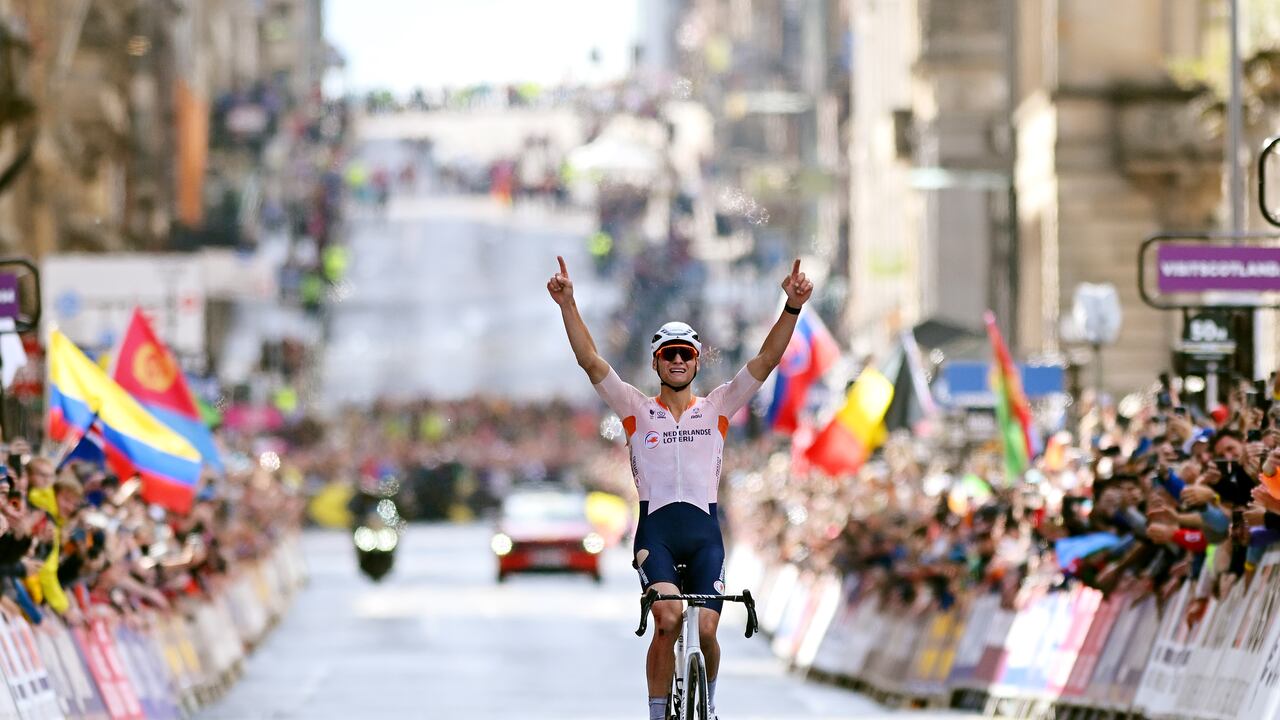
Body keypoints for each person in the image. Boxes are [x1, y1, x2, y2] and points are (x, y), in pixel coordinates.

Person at [547, 255, 814, 720]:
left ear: (695, 361)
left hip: (705, 533)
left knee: (707, 631)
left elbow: (767, 360)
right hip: (657, 535)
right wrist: (568, 304)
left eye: (684, 354)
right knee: (667, 620)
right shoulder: (635, 408)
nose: (676, 360)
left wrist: (791, 307)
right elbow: (591, 362)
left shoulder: (718, 407)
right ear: (656, 361)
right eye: (668, 354)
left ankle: (708, 705)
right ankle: (657, 713)